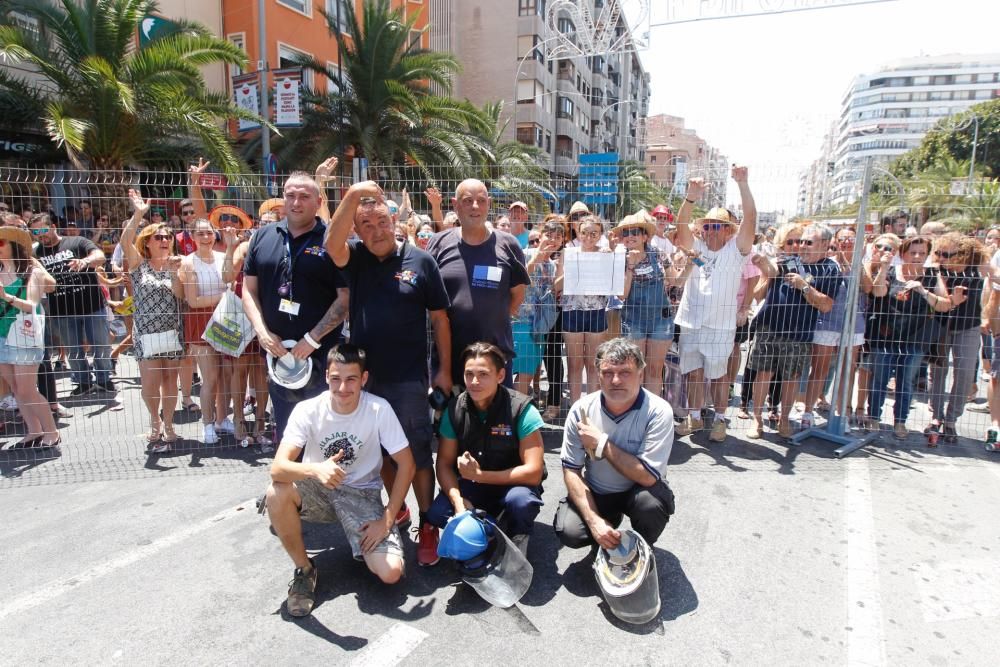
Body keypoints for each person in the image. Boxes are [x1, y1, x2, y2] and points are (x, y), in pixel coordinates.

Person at [324, 181, 453, 567]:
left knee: (416, 455)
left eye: (382, 222)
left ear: (394, 220)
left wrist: (443, 370)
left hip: (409, 380)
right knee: (377, 453)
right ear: (358, 231)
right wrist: (351, 195)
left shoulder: (421, 261)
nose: (376, 231)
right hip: (366, 381)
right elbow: (332, 244)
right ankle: (398, 513)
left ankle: (428, 524)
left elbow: (441, 320)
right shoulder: (357, 259)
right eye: (366, 225)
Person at [264, 344, 414, 617]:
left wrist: (387, 520)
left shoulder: (379, 409)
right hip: (317, 488)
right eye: (336, 379)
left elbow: (407, 464)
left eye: (351, 379)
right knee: (276, 492)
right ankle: (304, 570)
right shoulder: (307, 410)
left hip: (362, 494)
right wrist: (315, 470)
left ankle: (370, 541)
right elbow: (277, 468)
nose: (342, 387)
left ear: (364, 379)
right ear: (326, 378)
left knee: (391, 573)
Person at [242, 172, 350, 443]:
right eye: (290, 195)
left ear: (318, 201)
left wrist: (312, 339)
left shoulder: (332, 241)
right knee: (289, 434)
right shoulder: (261, 237)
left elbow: (345, 297)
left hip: (322, 356)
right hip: (278, 355)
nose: (296, 202)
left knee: (325, 435)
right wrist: (262, 333)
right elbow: (248, 290)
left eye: (304, 196)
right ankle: (291, 484)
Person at [555, 338, 675, 550]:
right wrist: (594, 521)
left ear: (641, 374)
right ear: (598, 375)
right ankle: (607, 528)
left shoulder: (658, 411)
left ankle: (641, 547)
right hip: (599, 491)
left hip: (639, 492)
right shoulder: (581, 410)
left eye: (625, 372)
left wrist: (601, 443)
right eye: (608, 373)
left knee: (651, 505)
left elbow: (647, 477)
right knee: (569, 530)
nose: (616, 380)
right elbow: (571, 470)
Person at [428, 342, 545, 554]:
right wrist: (458, 503)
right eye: (469, 374)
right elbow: (444, 464)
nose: (474, 381)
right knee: (437, 512)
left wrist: (481, 475)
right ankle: (486, 527)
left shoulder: (521, 409)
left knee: (521, 503)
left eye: (483, 374)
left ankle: (517, 536)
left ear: (500, 376)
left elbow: (534, 473)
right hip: (473, 486)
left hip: (513, 485)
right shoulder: (454, 409)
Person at [672, 168, 756, 441]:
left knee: (719, 376)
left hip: (721, 325)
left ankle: (720, 419)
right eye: (708, 225)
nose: (711, 230)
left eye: (718, 226)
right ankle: (695, 417)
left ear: (729, 231)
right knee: (693, 373)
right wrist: (691, 197)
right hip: (691, 321)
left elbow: (751, 219)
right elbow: (681, 227)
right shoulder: (696, 246)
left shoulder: (737, 250)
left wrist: (742, 184)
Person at [426, 178, 529, 386]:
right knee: (451, 418)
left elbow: (518, 294)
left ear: (488, 204)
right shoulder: (438, 243)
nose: (475, 206)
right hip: (450, 362)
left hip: (495, 360)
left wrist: (491, 316)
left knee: (498, 419)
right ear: (455, 205)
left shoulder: (508, 245)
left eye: (481, 200)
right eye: (468, 200)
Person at [746, 222, 842, 439]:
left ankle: (784, 419)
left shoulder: (830, 268)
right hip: (769, 327)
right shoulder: (789, 259)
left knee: (791, 378)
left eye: (808, 242)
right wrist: (762, 265)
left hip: (800, 333)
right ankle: (757, 420)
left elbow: (826, 305)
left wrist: (804, 286)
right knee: (763, 374)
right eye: (800, 242)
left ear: (825, 244)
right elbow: (771, 272)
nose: (802, 246)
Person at [866, 235, 953, 439]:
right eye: (912, 252)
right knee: (879, 379)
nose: (917, 257)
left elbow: (944, 304)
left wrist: (923, 290)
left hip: (915, 339)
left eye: (922, 253)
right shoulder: (891, 271)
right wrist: (885, 268)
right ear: (903, 253)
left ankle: (900, 422)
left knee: (906, 382)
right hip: (885, 336)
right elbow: (878, 293)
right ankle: (873, 418)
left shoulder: (932, 276)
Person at [120, 190, 185, 452]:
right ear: (147, 242)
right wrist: (138, 214)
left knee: (170, 380)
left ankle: (168, 423)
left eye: (168, 237)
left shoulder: (176, 264)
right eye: (158, 237)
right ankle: (154, 419)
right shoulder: (140, 264)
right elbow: (125, 243)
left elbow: (180, 296)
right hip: (146, 333)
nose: (164, 240)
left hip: (172, 330)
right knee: (150, 383)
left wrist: (175, 273)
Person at [30, 213, 115, 397]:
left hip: (91, 305)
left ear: (53, 226)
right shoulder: (35, 253)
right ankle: (83, 382)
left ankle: (104, 379)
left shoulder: (77, 241)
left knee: (100, 344)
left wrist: (84, 261)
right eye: (35, 232)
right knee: (73, 349)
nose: (40, 235)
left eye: (43, 230)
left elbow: (100, 256)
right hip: (62, 310)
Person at [801, 226, 873, 429]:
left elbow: (868, 288)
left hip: (854, 325)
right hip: (827, 321)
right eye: (843, 239)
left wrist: (854, 260)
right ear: (833, 241)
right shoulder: (828, 263)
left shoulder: (861, 264)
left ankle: (842, 414)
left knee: (847, 371)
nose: (847, 243)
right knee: (820, 369)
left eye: (852, 239)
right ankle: (808, 412)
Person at [0, 225, 59, 448]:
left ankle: (51, 431)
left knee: (26, 388)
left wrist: (6, 296)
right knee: (15, 389)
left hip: (24, 335)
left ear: (13, 246)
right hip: (2, 336)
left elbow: (32, 305)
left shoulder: (31, 271)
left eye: (1, 243)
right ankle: (34, 430)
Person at [926, 233, 986, 442]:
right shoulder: (936, 270)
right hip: (941, 325)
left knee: (965, 374)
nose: (940, 258)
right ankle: (936, 417)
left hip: (969, 326)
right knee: (938, 371)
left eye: (946, 254)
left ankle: (951, 420)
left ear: (963, 254)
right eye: (938, 253)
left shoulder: (978, 268)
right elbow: (943, 299)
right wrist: (938, 273)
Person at [617, 212, 684, 399]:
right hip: (633, 320)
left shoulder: (659, 255)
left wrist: (691, 266)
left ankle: (652, 412)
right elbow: (621, 294)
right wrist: (630, 266)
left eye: (635, 232)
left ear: (645, 236)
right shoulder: (618, 258)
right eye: (626, 233)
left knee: (655, 370)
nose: (630, 236)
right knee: (634, 369)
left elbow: (676, 281)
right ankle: (634, 411)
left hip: (660, 320)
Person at [178, 218, 230, 444]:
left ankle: (222, 419)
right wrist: (223, 297)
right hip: (200, 323)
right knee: (210, 378)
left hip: (226, 321)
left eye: (209, 233)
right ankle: (207, 424)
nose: (206, 238)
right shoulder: (188, 263)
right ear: (192, 237)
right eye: (200, 234)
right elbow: (193, 301)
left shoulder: (223, 257)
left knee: (225, 376)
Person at [561, 216, 612, 403]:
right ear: (578, 232)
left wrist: (609, 258)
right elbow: (556, 286)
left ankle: (590, 408)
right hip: (572, 311)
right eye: (585, 233)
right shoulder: (569, 253)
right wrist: (572, 269)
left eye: (594, 233)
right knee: (574, 365)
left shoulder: (606, 254)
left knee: (593, 365)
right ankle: (575, 408)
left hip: (597, 311)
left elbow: (612, 284)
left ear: (600, 235)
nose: (589, 237)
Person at [513, 220, 563, 409]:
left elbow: (552, 291)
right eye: (549, 235)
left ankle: (516, 415)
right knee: (518, 373)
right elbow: (518, 280)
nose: (553, 239)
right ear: (539, 236)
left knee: (526, 373)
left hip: (539, 326)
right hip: (519, 322)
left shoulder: (552, 265)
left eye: (558, 237)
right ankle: (514, 416)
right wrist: (537, 258)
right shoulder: (525, 254)